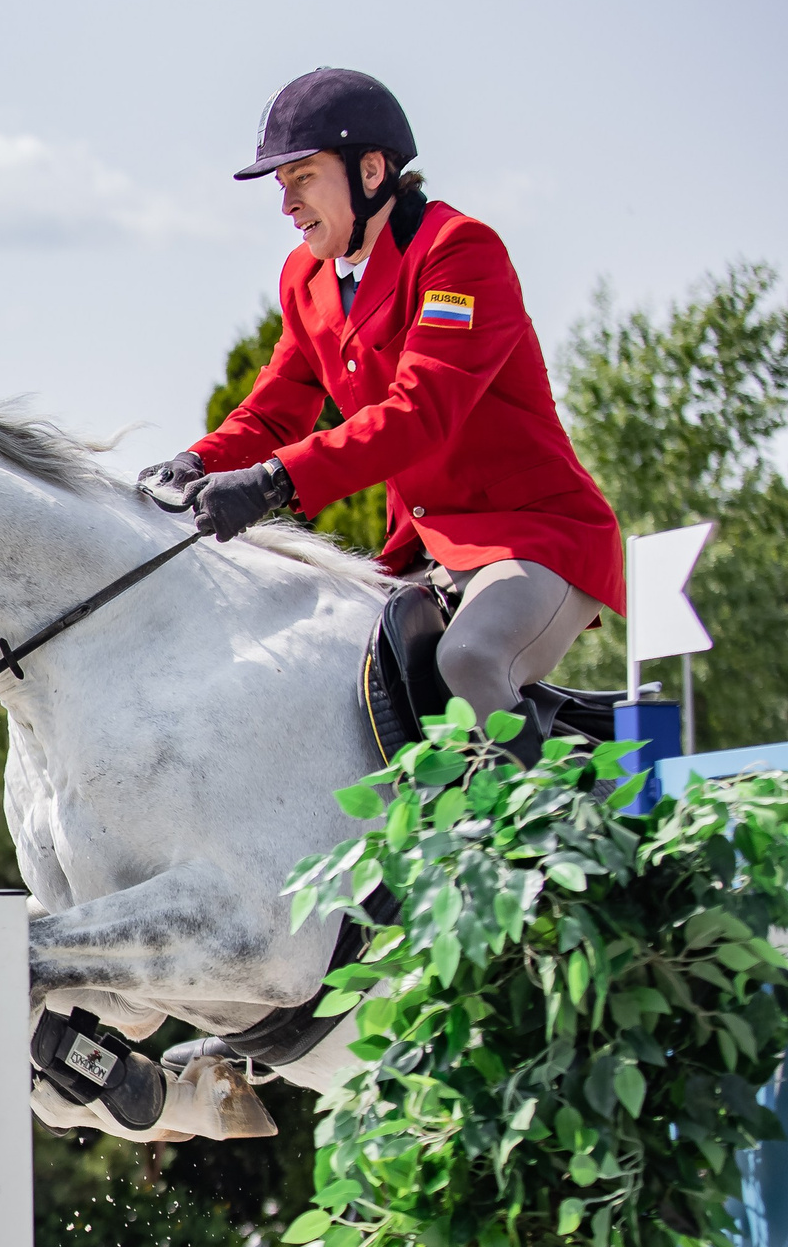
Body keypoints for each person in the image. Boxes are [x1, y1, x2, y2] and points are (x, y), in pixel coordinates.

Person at [140, 67, 625, 765]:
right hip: (421, 550)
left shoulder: (459, 251)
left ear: (371, 171)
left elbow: (421, 411)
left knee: (472, 659)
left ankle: (548, 829)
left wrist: (275, 481)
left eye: (303, 177)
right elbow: (275, 407)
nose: (288, 204)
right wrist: (195, 462)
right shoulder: (306, 277)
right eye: (282, 185)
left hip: (532, 536)